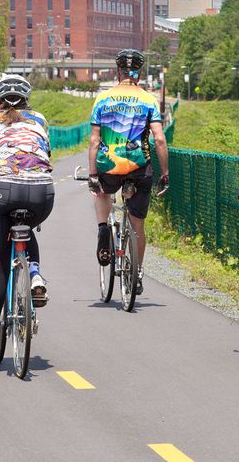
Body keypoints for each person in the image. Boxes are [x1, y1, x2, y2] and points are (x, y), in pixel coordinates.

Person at [0, 74, 54, 354]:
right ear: (27, 99)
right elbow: (46, 154)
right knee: (27, 228)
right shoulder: (40, 120)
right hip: (43, 193)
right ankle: (35, 274)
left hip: (4, 190)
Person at [88, 48, 169, 295]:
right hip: (138, 166)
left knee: (101, 190)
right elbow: (159, 139)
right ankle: (137, 272)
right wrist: (165, 173)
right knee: (137, 225)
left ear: (118, 71)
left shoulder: (103, 99)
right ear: (139, 72)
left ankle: (103, 228)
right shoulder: (148, 100)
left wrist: (92, 174)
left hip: (108, 165)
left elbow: (94, 140)